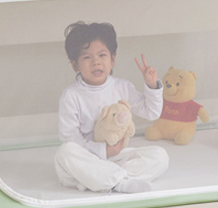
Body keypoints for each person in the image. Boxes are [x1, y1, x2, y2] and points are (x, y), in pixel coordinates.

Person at [54, 21, 169, 194]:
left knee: (160, 156)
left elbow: (151, 112)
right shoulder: (71, 95)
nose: (96, 62)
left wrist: (151, 86)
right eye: (87, 57)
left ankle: (103, 180)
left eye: (102, 55)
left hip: (118, 157)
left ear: (112, 59)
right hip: (88, 157)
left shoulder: (122, 87)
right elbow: (70, 137)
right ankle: (118, 183)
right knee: (65, 153)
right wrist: (103, 151)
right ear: (75, 64)